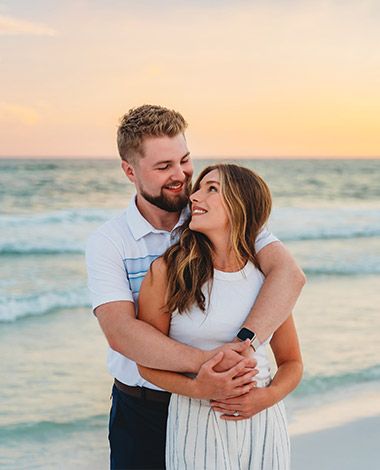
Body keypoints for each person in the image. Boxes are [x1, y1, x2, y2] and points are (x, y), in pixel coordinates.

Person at [85, 105, 305, 469]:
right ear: (129, 171)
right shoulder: (111, 242)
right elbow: (121, 333)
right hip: (145, 409)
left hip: (232, 408)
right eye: (163, 167)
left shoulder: (215, 212)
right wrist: (211, 370)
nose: (181, 177)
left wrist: (243, 347)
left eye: (184, 160)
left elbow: (288, 275)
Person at [138, 164, 303, 470]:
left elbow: (292, 362)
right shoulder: (166, 272)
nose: (194, 196)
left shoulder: (266, 278)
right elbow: (146, 364)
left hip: (263, 420)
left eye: (211, 189)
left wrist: (268, 397)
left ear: (241, 203)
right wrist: (198, 389)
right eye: (198, 188)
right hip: (195, 418)